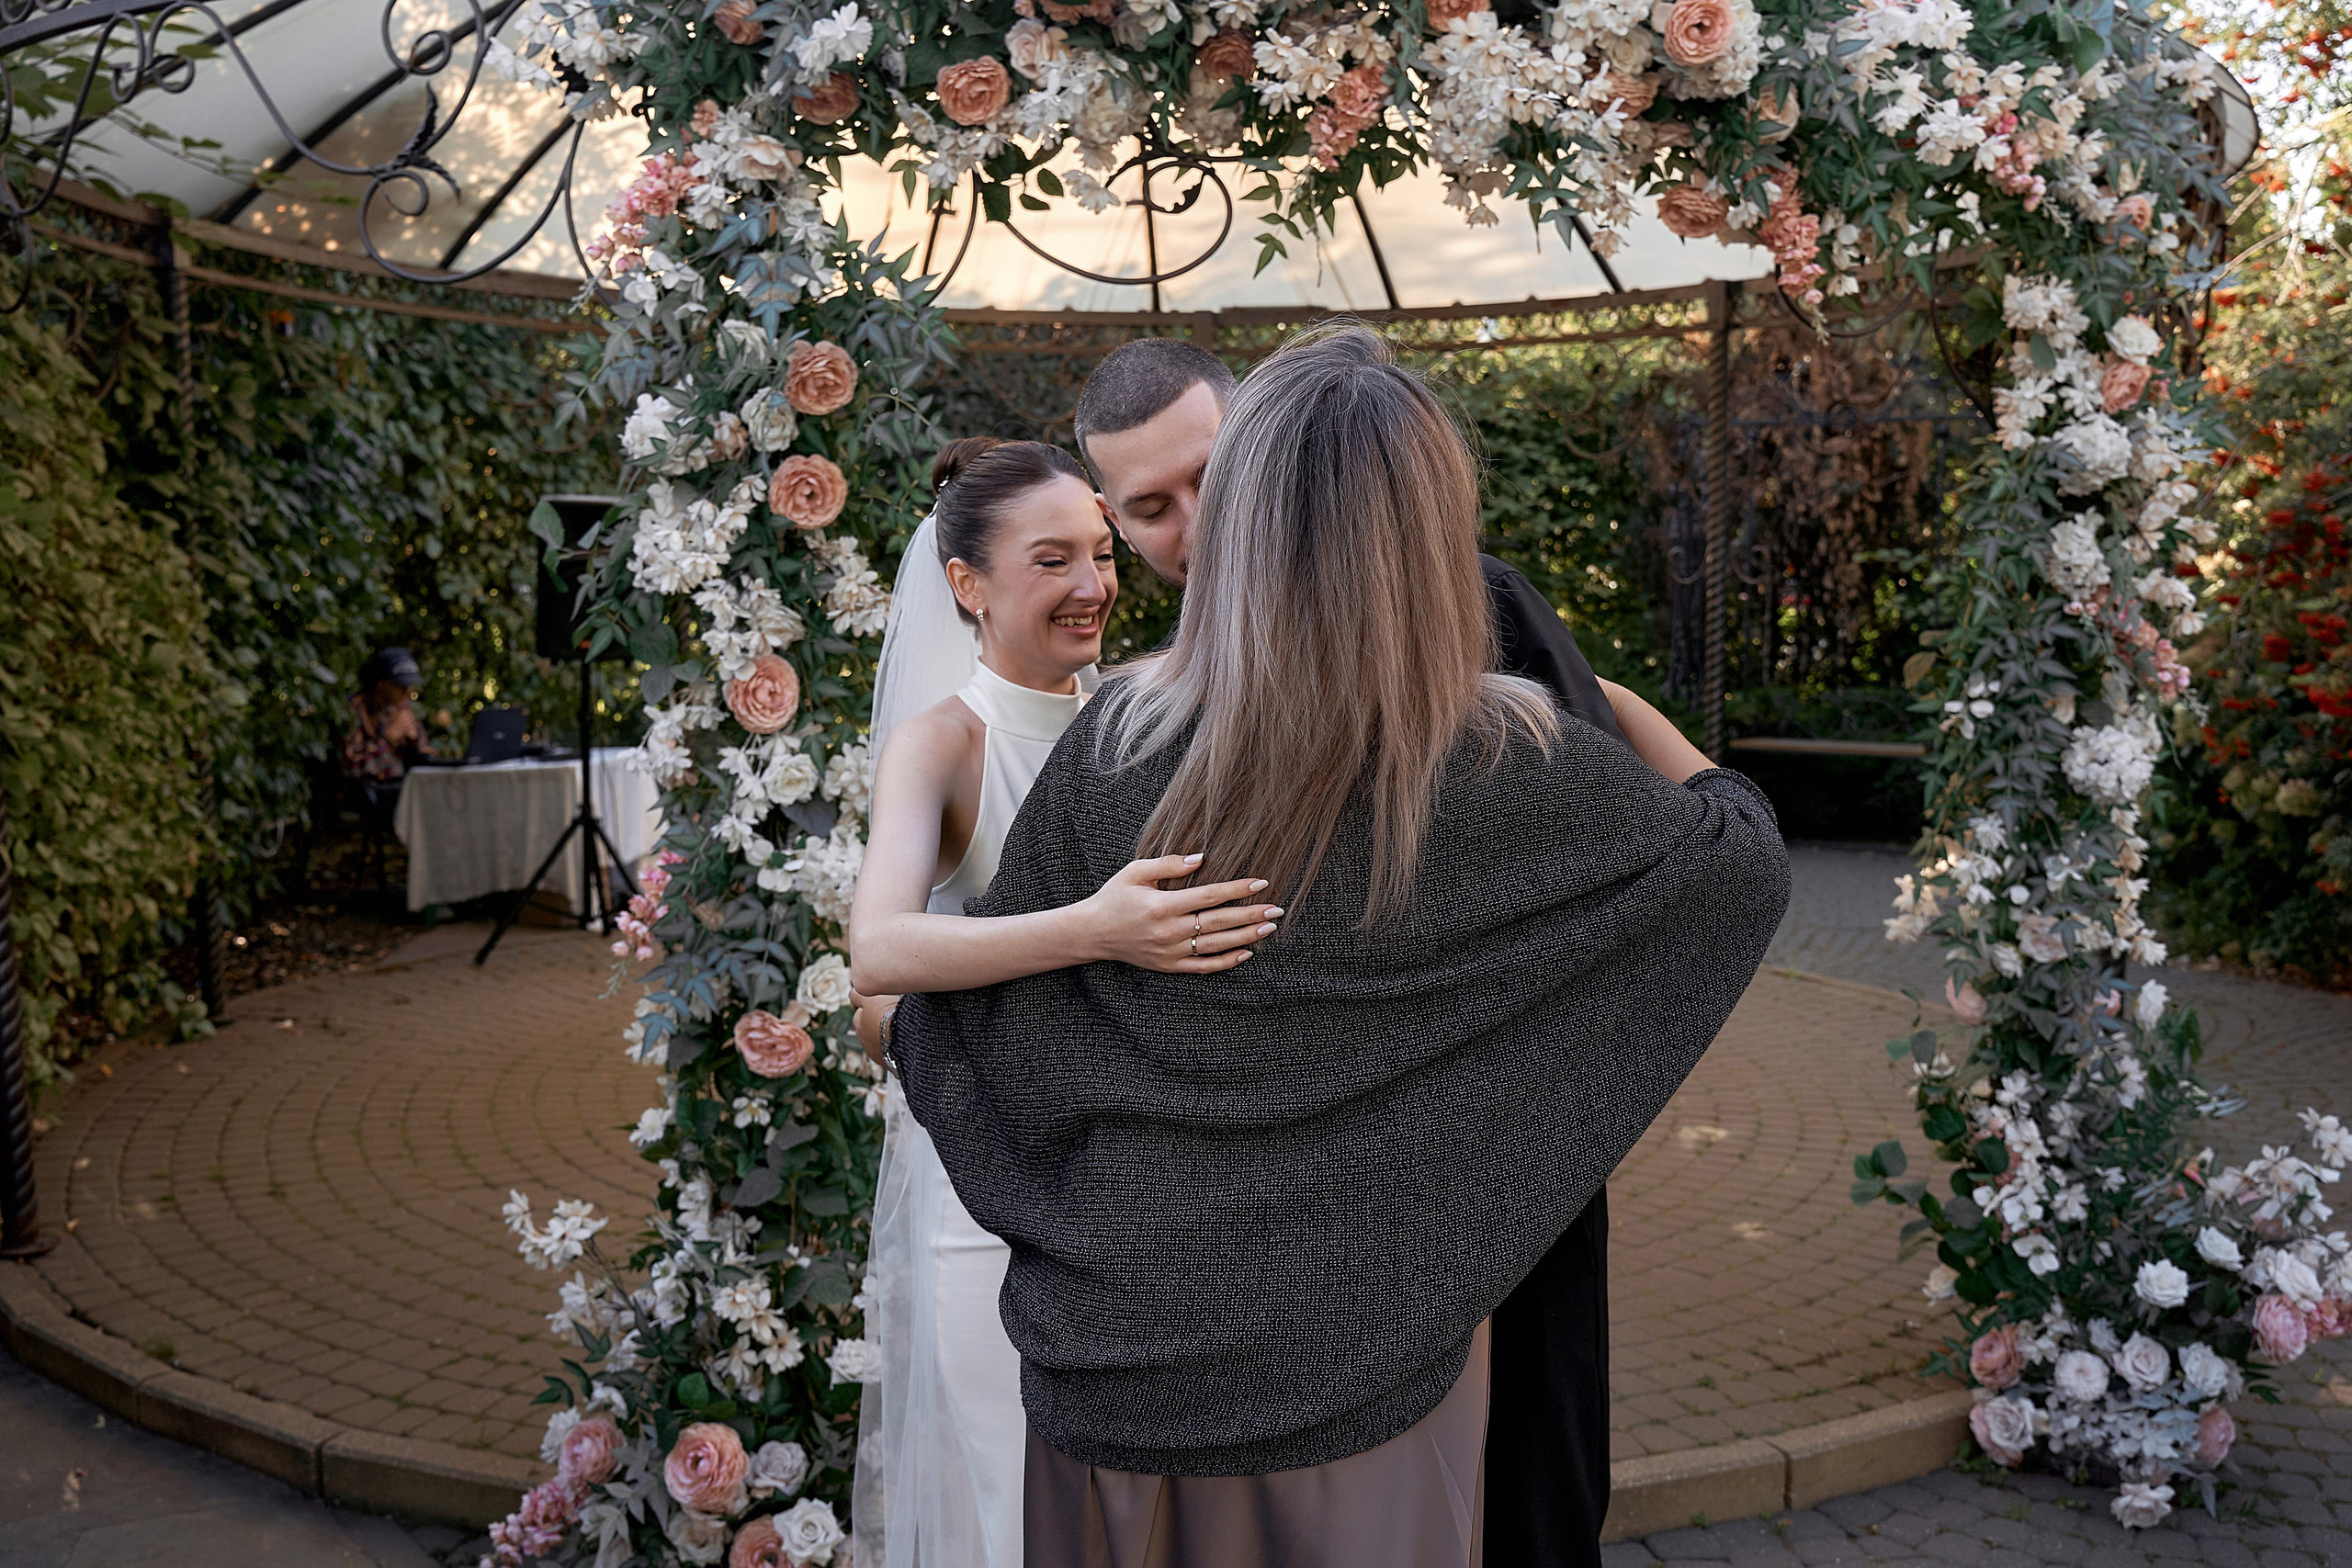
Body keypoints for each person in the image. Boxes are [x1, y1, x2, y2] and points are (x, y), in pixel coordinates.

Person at [888, 325, 1789, 1568]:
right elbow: (1735, 858)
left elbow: (966, 1028)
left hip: (1116, 1359)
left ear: (1244, 511)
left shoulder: (1114, 746)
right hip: (1368, 1361)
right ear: (1434, 535)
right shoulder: (1516, 765)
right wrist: (1629, 709)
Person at [1076, 334, 1623, 1567]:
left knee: (1522, 1489)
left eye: (1212, 478)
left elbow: (1600, 878)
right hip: (1298, 1225)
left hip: (1498, 1170)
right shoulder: (1162, 698)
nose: (1192, 527)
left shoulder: (1471, 602)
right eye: (1149, 508)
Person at [846, 438, 1282, 1568]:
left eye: (1100, 554)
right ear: (966, 585)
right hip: (984, 1202)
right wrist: (1097, 927)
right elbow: (877, 951)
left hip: (1139, 1199)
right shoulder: (939, 745)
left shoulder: (1145, 717)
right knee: (1015, 1518)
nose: (1092, 587)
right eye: (1053, 562)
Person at [341, 647, 434, 812]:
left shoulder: (400, 707)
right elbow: (353, 768)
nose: (407, 691)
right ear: (381, 684)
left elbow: (425, 758)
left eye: (409, 684)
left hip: (399, 786)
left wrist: (413, 743)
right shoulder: (353, 710)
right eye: (400, 685)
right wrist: (389, 738)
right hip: (366, 793)